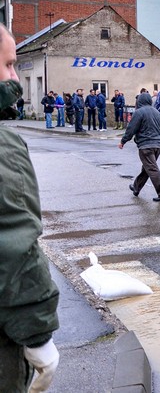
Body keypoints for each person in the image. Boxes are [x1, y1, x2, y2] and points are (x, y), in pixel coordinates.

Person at [0, 23, 61, 393]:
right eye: (8, 65)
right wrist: (38, 337)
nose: (13, 77)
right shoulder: (4, 144)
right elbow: (13, 242)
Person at [119, 92, 160, 202]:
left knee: (152, 169)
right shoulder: (157, 112)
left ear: (140, 101)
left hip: (145, 146)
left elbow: (131, 129)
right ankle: (136, 187)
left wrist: (123, 141)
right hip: (157, 146)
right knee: (147, 169)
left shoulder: (139, 112)